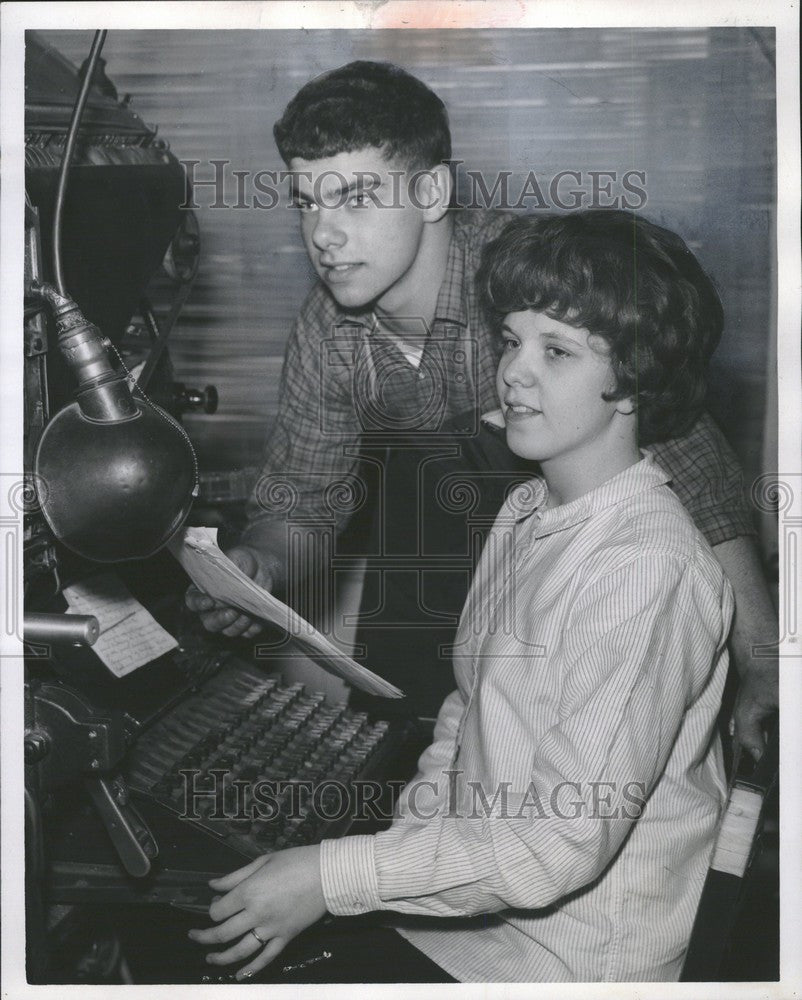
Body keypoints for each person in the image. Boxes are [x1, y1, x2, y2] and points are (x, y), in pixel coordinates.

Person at [188, 210, 736, 982]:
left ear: (635, 381)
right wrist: (396, 861)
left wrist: (335, 878)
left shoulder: (644, 569)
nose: (514, 371)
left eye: (558, 351)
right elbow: (468, 711)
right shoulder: (525, 511)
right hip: (470, 924)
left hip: (566, 965)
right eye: (512, 340)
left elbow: (555, 847)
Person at [184, 60, 776, 757]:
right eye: (308, 200)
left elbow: (694, 472)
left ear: (433, 190)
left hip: (583, 561)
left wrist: (765, 659)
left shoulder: (533, 282)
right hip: (434, 566)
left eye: (356, 198)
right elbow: (307, 502)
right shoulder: (327, 331)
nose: (324, 233)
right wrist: (257, 567)